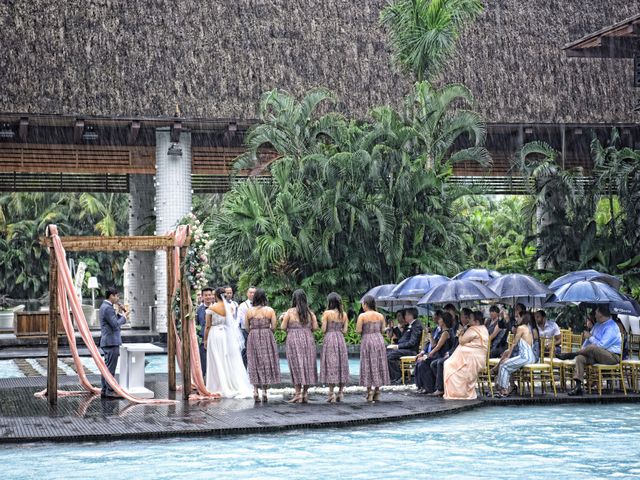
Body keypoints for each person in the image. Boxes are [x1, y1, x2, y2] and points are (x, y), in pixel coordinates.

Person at [204, 287, 252, 398]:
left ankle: (216, 386)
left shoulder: (211, 308)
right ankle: (231, 383)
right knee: (227, 359)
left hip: (215, 334)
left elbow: (207, 326)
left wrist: (205, 340)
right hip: (227, 335)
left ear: (216, 295)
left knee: (216, 359)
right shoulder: (230, 307)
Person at [566, 305, 622, 396]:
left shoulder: (612, 327)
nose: (594, 316)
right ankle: (578, 387)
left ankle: (572, 354)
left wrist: (590, 337)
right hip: (596, 355)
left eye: (595, 314)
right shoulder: (597, 324)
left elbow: (601, 346)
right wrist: (582, 349)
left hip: (611, 356)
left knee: (593, 347)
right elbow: (588, 341)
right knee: (580, 358)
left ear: (601, 315)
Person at [281, 289, 318, 403]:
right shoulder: (310, 313)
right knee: (307, 365)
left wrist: (283, 318)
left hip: (293, 340)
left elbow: (283, 327)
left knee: (296, 365)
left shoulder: (290, 312)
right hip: (308, 339)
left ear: (294, 299)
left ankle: (297, 394)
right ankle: (305, 394)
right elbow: (315, 328)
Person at [443, 310, 489, 400]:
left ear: (476, 321)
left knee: (449, 365)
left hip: (472, 359)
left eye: (470, 319)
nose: (469, 321)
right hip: (479, 358)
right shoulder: (483, 328)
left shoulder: (473, 329)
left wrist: (460, 334)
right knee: (449, 364)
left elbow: (462, 341)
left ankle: (459, 393)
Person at [245, 288, 280, 402]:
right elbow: (274, 327)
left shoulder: (249, 311)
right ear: (264, 297)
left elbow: (246, 327)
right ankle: (264, 391)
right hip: (266, 335)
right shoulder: (270, 310)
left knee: (254, 362)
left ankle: (255, 390)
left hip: (253, 336)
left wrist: (254, 330)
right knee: (266, 361)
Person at [494, 312, 536, 397]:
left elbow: (514, 343)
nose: (516, 319)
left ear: (522, 318)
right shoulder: (528, 328)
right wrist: (507, 354)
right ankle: (502, 388)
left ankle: (503, 390)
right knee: (506, 366)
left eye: (517, 317)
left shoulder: (521, 328)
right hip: (530, 357)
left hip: (525, 357)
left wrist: (508, 357)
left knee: (504, 365)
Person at [357, 295, 390, 402]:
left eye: (363, 304)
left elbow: (358, 330)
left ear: (366, 304)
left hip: (367, 340)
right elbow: (383, 330)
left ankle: (369, 392)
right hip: (379, 340)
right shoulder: (380, 316)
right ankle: (377, 391)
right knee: (378, 364)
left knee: (368, 364)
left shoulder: (362, 316)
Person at [319, 292, 350, 403]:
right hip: (340, 339)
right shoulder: (344, 315)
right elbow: (345, 331)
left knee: (331, 363)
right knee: (341, 364)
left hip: (330, 338)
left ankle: (331, 393)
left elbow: (323, 330)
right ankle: (340, 392)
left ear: (330, 302)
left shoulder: (327, 313)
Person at [99, 287, 128, 398]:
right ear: (111, 296)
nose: (118, 298)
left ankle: (104, 389)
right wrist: (124, 318)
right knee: (110, 368)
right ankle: (109, 391)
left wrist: (120, 312)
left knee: (106, 368)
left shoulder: (106, 307)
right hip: (111, 342)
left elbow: (113, 320)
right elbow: (115, 325)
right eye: (117, 296)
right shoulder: (107, 308)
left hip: (108, 341)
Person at [415, 311, 453, 394]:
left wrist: (428, 356)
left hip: (441, 355)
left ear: (443, 321)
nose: (438, 321)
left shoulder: (446, 333)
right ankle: (422, 386)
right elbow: (433, 345)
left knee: (425, 362)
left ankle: (432, 387)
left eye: (440, 319)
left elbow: (437, 347)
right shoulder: (439, 331)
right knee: (419, 362)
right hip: (436, 354)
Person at [386, 307, 423, 383]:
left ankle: (398, 377)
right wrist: (393, 329)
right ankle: (392, 376)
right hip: (405, 349)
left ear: (410, 315)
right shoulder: (409, 325)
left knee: (390, 356)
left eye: (405, 315)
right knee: (386, 351)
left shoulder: (416, 325)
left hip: (411, 350)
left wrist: (397, 346)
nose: (404, 317)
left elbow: (412, 342)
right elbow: (402, 339)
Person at [236, 286, 256, 367]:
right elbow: (240, 319)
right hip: (246, 331)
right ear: (247, 294)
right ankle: (244, 369)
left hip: (256, 331)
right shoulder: (243, 305)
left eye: (254, 293)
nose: (252, 294)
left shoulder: (260, 305)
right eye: (250, 292)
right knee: (246, 351)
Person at [196, 286, 214, 376]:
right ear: (202, 297)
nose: (208, 297)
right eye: (206, 295)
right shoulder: (198, 310)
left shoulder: (216, 308)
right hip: (202, 340)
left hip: (215, 339)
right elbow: (197, 324)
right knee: (203, 362)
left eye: (209, 295)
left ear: (212, 296)